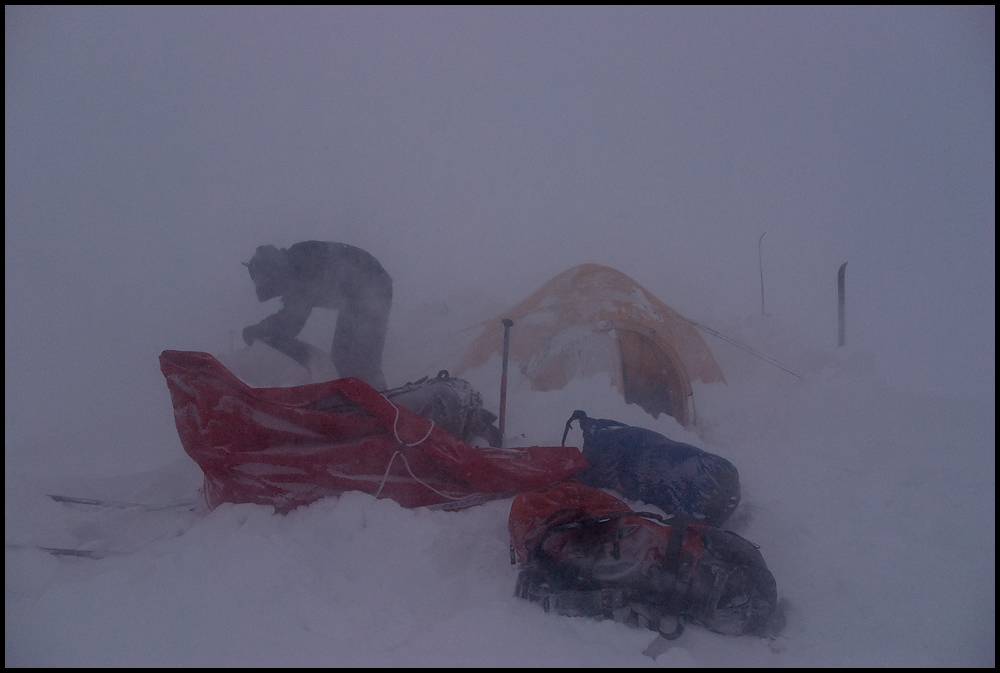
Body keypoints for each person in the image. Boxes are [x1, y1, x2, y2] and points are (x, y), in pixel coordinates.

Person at [242, 241, 392, 390]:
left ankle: (378, 404)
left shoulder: (298, 264)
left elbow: (293, 319)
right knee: (348, 359)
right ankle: (375, 399)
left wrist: (257, 332)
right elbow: (291, 316)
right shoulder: (295, 263)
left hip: (370, 288)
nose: (279, 292)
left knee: (354, 359)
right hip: (365, 288)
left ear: (272, 272)